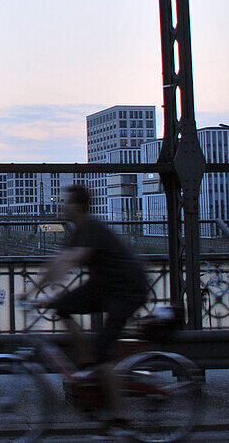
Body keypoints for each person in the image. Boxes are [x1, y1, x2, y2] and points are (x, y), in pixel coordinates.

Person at [25, 183, 149, 429]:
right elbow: (58, 262)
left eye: (67, 202)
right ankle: (86, 362)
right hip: (105, 286)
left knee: (104, 352)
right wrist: (31, 292)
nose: (62, 205)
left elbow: (70, 261)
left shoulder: (91, 229)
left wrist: (42, 292)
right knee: (62, 307)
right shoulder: (80, 230)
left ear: (79, 206)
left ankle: (120, 415)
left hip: (126, 290)